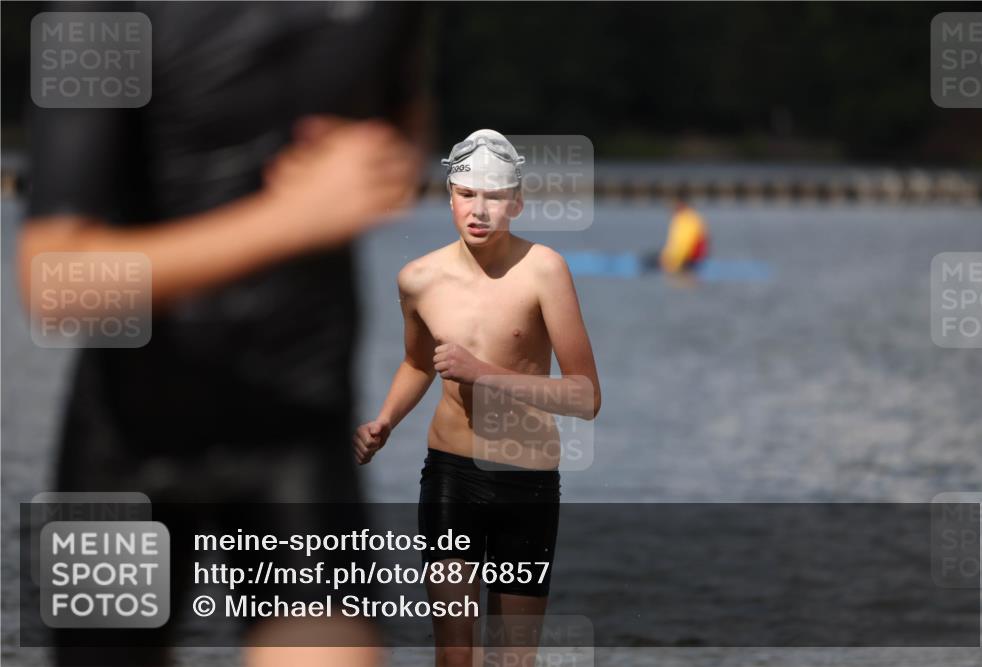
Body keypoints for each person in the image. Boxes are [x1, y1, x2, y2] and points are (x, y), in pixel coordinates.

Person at [18, 3, 428, 666]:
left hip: (296, 421)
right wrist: (291, 218)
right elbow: (53, 281)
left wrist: (387, 163)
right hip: (124, 439)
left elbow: (399, 115)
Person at [353, 129, 601, 667]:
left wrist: (483, 373)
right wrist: (386, 420)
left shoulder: (545, 270)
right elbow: (419, 363)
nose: (479, 209)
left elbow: (585, 397)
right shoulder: (417, 279)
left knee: (514, 657)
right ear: (450, 196)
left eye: (493, 197)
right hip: (450, 474)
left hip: (526, 478)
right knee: (455, 654)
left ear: (516, 201)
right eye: (467, 194)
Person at [660, 200, 710, 273]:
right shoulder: (693, 217)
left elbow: (683, 245)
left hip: (688, 259)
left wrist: (672, 261)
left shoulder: (685, 220)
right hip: (695, 259)